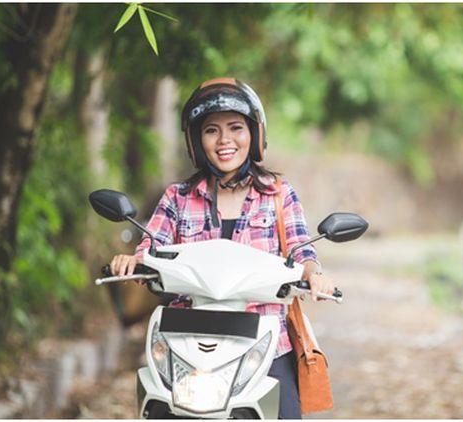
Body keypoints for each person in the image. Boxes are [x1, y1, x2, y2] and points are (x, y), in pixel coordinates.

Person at [109, 77, 334, 419]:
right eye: (211, 130)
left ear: (254, 135)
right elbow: (150, 250)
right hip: (186, 348)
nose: (225, 140)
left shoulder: (278, 195)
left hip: (263, 344)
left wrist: (316, 277)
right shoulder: (178, 198)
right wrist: (132, 262)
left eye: (236, 127)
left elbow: (303, 252)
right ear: (197, 141)